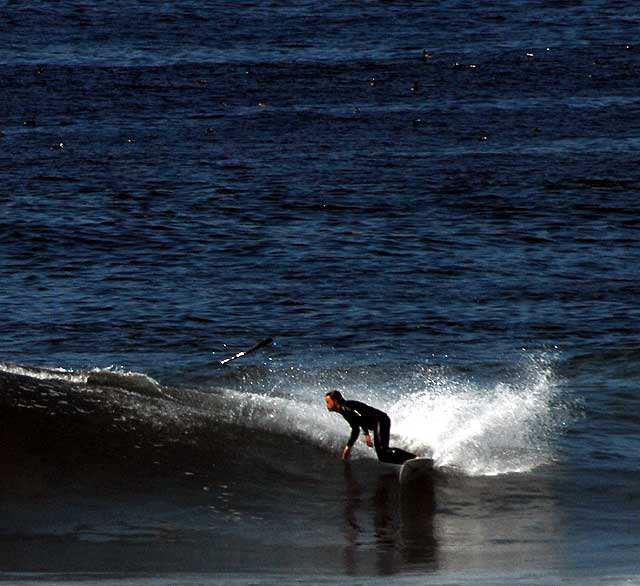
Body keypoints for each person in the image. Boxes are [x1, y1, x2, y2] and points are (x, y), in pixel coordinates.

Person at [325, 390, 416, 465]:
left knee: (383, 451)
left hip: (380, 420)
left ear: (335, 401)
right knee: (382, 457)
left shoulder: (346, 407)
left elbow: (359, 415)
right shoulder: (344, 410)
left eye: (328, 402)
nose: (326, 405)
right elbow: (355, 429)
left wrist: (366, 433)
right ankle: (409, 463)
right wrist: (348, 447)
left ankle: (414, 458)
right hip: (380, 421)